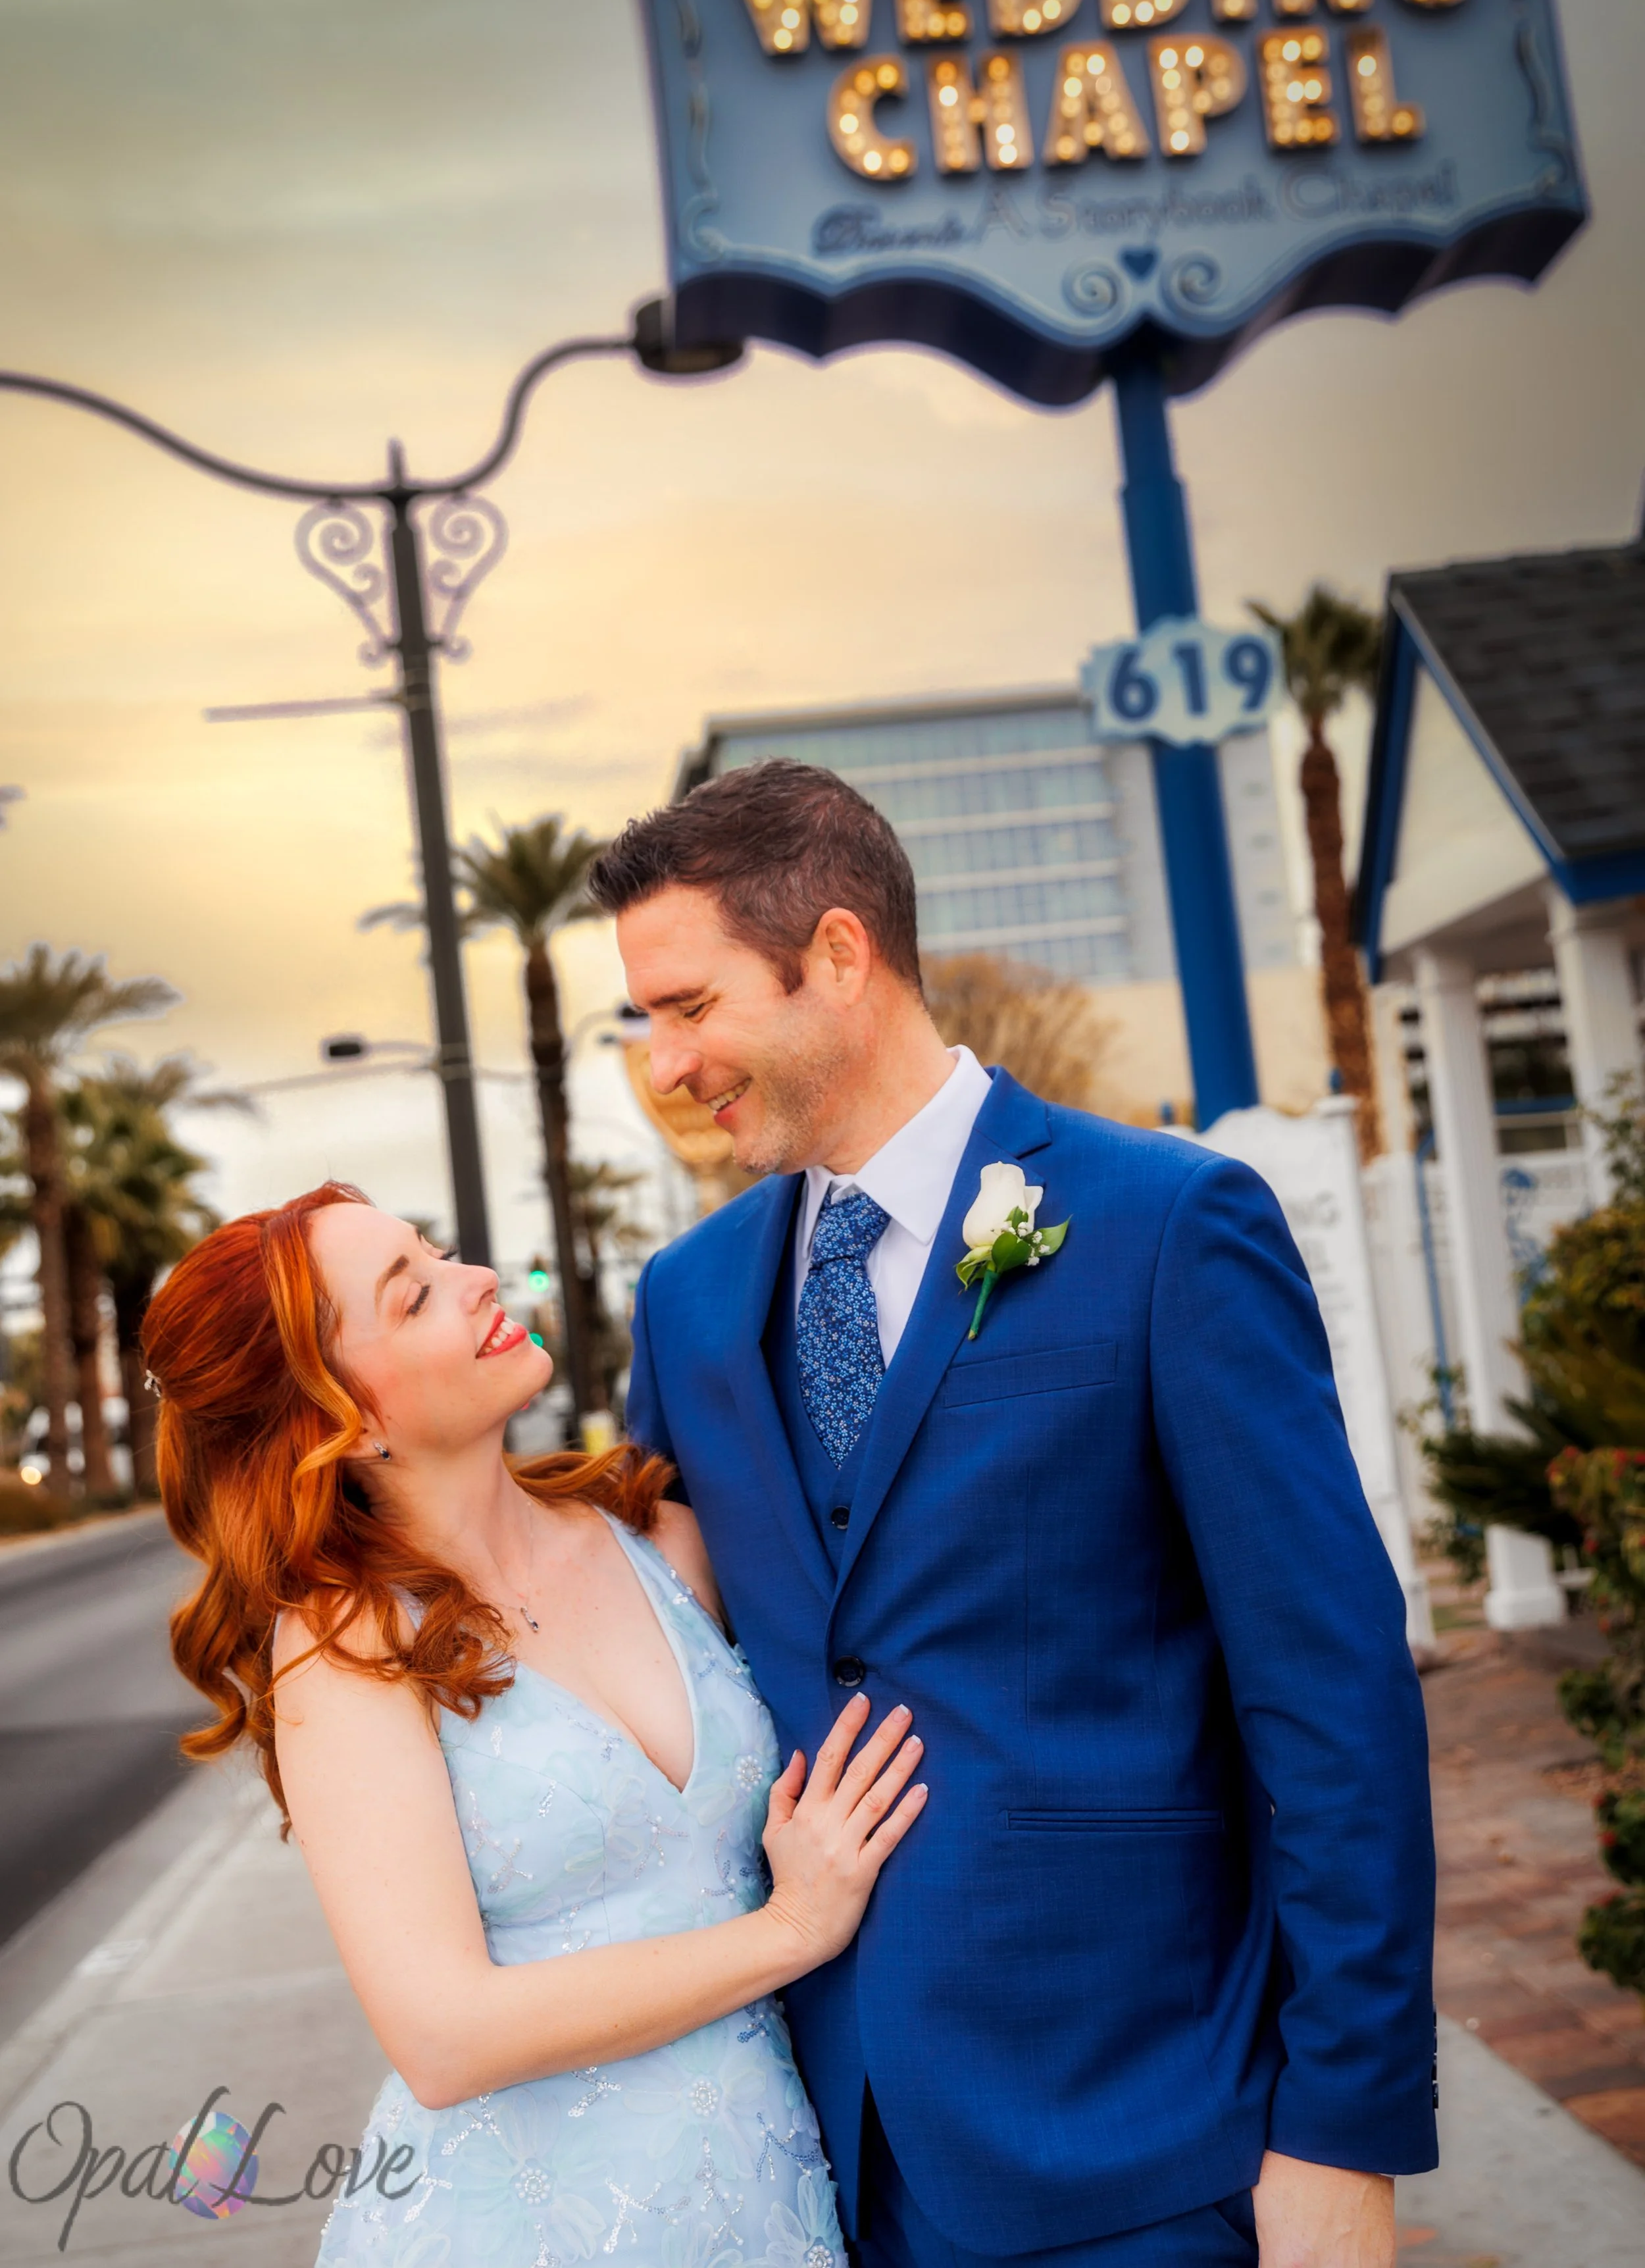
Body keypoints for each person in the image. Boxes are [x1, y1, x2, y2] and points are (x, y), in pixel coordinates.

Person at [588, 758, 1438, 2268]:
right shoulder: (687, 1303)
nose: (661, 1066)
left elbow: (1331, 1700)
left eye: (689, 1006)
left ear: (838, 957)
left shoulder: (1167, 1228)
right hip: (816, 2161)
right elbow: (659, 1675)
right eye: (640, 1021)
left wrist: (1342, 2127)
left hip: (1149, 2141)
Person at [145, 1181, 926, 2266]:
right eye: (413, 1295)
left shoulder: (662, 1535)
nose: (477, 1281)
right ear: (343, 1419)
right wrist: (790, 1930)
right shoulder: (351, 1640)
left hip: (763, 2195)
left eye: (441, 1252)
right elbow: (444, 2035)